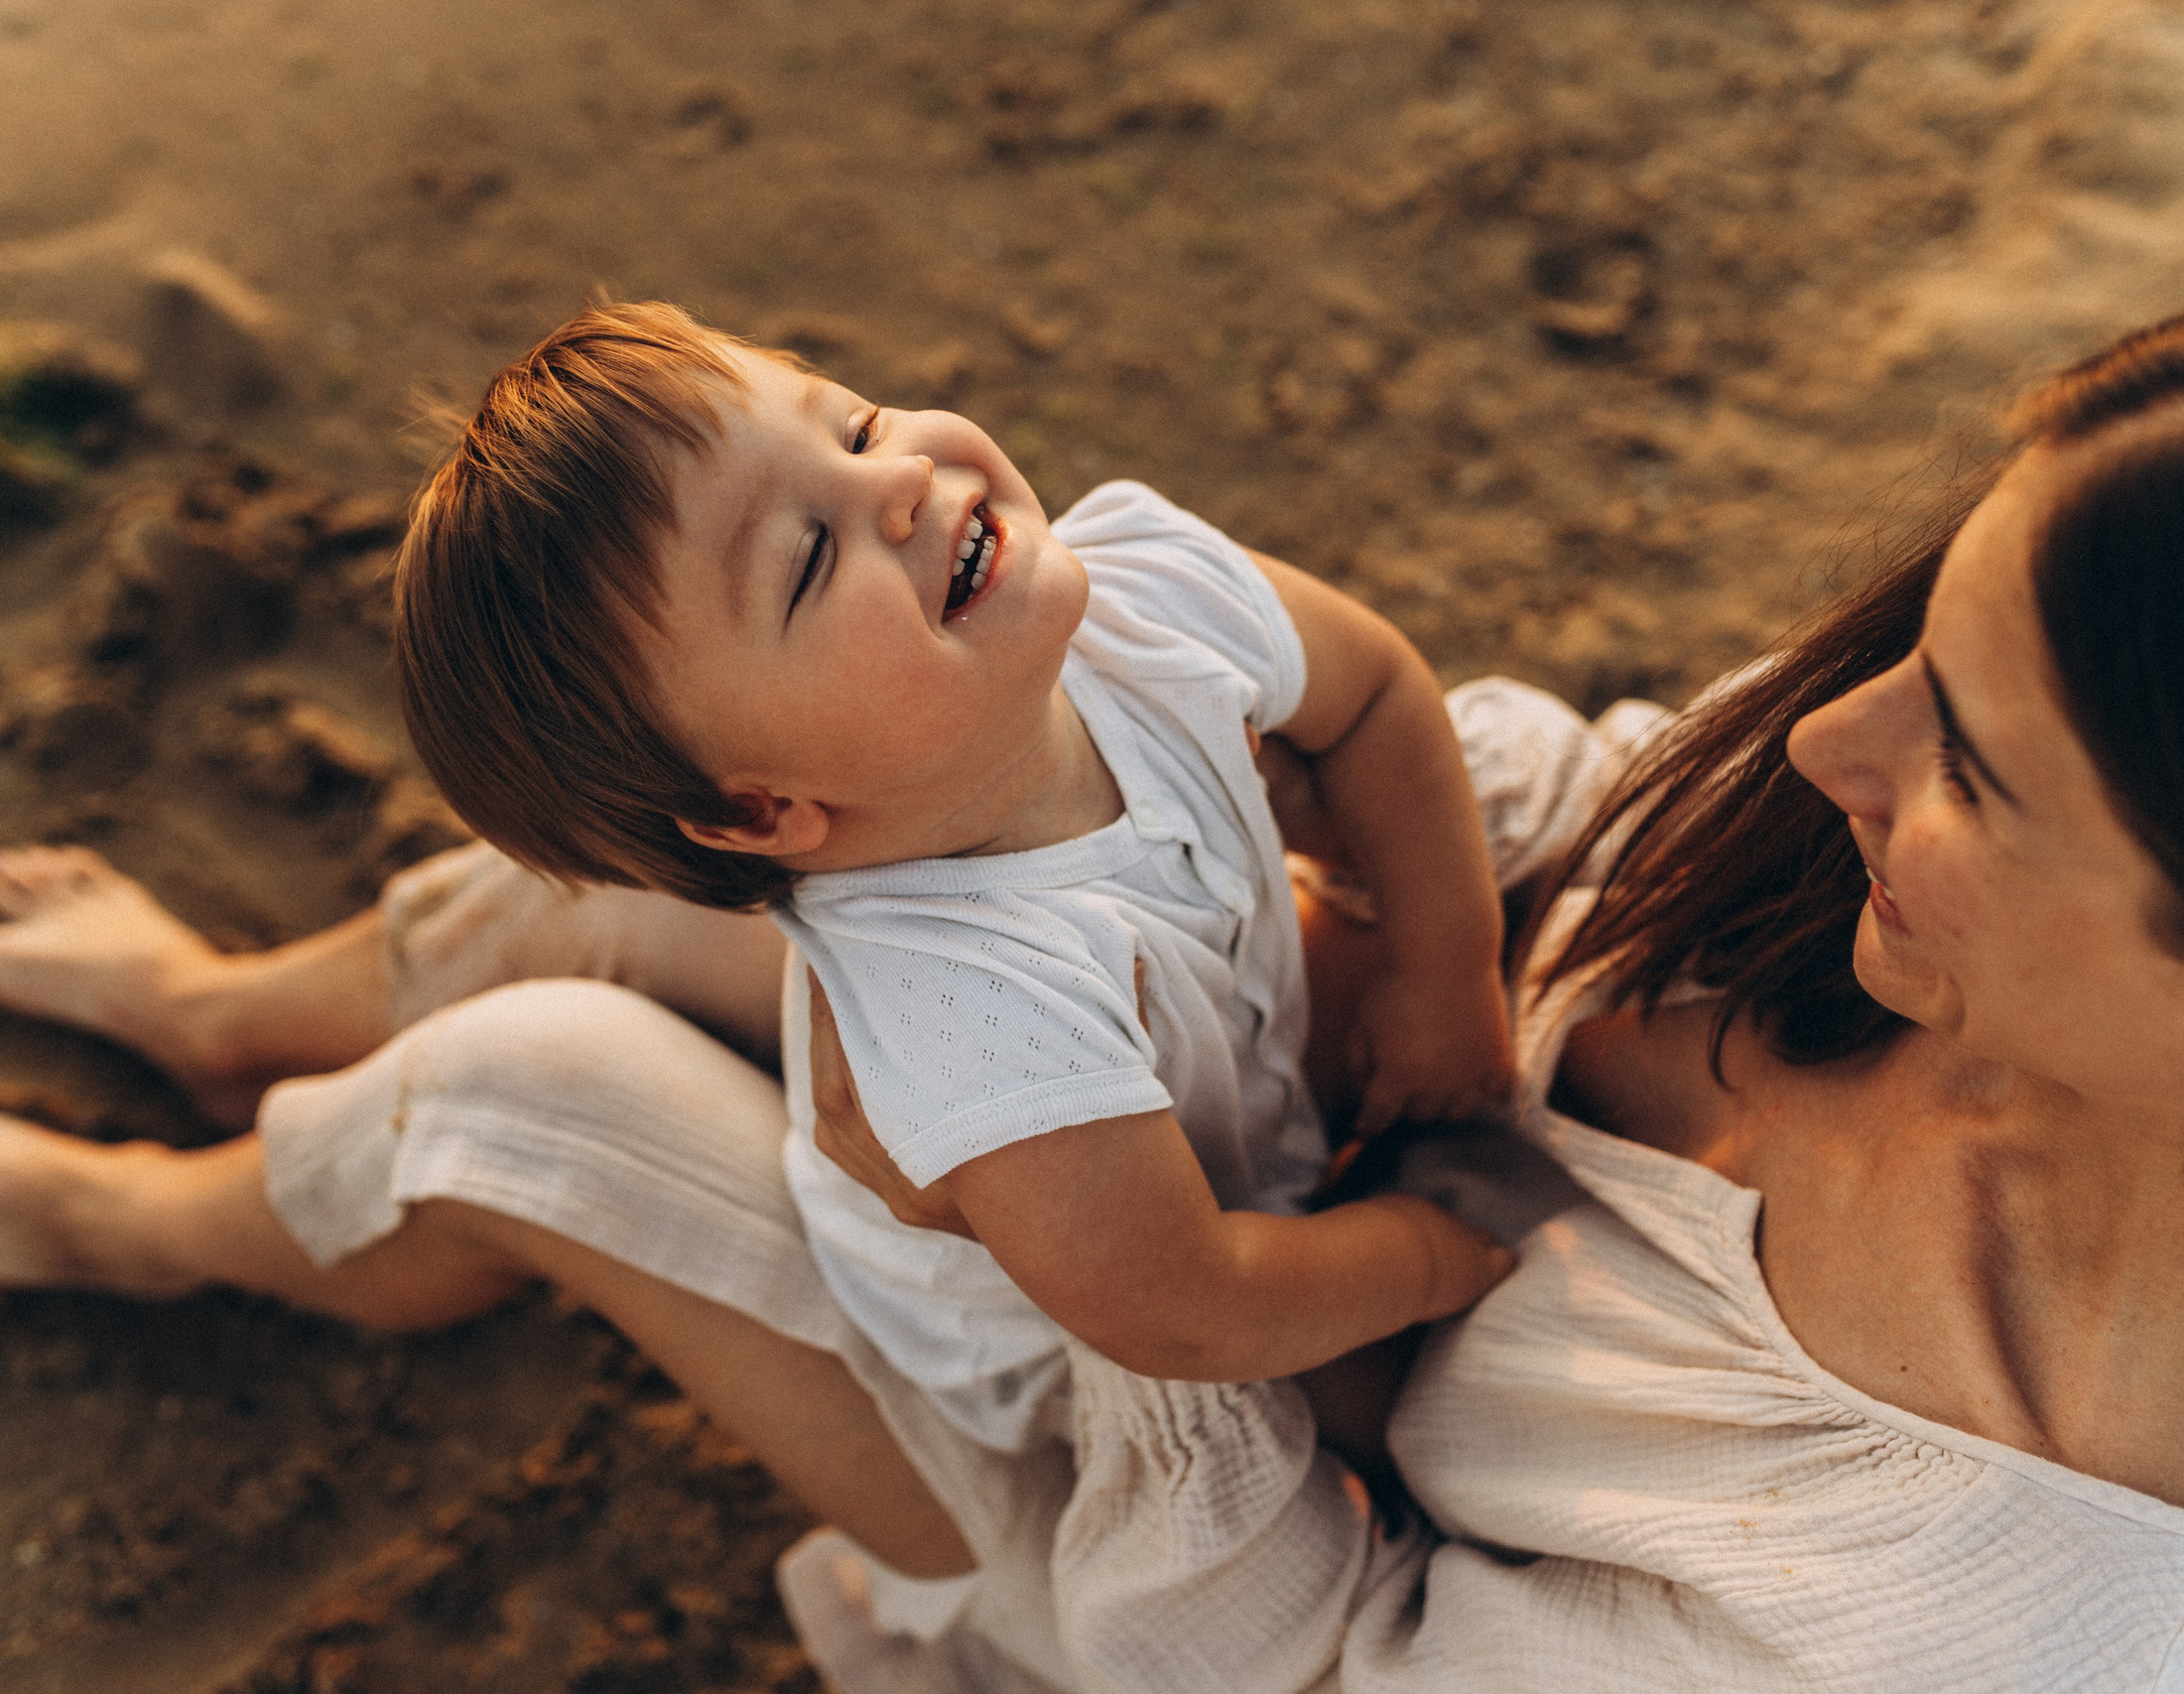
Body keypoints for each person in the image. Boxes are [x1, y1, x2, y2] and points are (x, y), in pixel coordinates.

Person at [0, 287, 2184, 1691]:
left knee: (520, 1074)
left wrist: (1328, 1266)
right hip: (1193, 1069)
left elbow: (1274, 1574)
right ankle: (232, 1004)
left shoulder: (1998, 1614)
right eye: (1912, 636)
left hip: (1144, 1465)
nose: (1806, 740)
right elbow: (1483, 763)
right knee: (519, 900)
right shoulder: (2039, 759)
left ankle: (129, 1214)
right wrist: (1407, 993)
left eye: (1964, 761)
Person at [388, 302, 1516, 1460]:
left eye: (858, 426)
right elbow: (1189, 1309)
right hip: (1059, 1334)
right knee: (1388, 1425)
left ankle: (445, 947)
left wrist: (1447, 968)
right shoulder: (968, 1008)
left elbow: (1373, 692)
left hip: (1217, 1121)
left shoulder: (1145, 595)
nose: (904, 481)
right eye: (811, 557)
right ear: (759, 808)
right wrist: (1420, 1256)